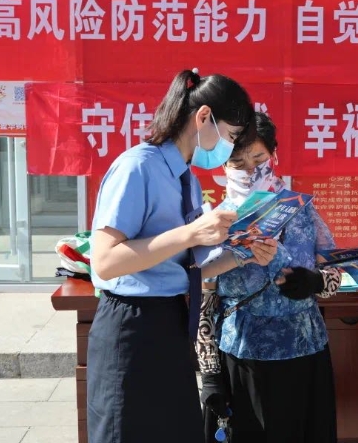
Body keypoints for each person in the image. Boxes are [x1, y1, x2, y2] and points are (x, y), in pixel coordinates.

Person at [86, 70, 278, 443]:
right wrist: (191, 233)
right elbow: (105, 261)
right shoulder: (138, 166)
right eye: (231, 136)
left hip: (170, 322)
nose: (230, 148)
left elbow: (187, 268)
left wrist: (244, 254)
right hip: (130, 327)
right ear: (203, 117)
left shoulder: (186, 178)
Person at [195, 112, 342, 443]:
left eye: (258, 158)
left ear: (274, 155)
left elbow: (334, 273)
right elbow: (205, 305)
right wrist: (211, 374)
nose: (250, 171)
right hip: (243, 358)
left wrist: (315, 282)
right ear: (223, 166)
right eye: (238, 162)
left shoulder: (303, 211)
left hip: (305, 353)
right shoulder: (215, 222)